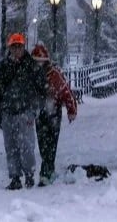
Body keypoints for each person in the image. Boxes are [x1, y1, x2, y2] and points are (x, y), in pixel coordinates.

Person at [0, 33, 46, 189]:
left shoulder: (31, 66)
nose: (17, 50)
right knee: (11, 147)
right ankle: (15, 177)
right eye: (14, 47)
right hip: (8, 112)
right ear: (10, 48)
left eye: (19, 46)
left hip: (25, 112)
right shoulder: (2, 67)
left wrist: (34, 110)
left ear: (23, 47)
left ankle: (29, 174)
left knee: (26, 146)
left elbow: (41, 90)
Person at [30, 44, 78, 187]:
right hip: (41, 112)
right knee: (43, 144)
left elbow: (66, 92)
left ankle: (46, 172)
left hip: (53, 112)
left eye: (41, 61)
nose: (39, 64)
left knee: (51, 144)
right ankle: (47, 171)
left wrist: (71, 110)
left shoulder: (54, 74)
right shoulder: (32, 75)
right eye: (37, 61)